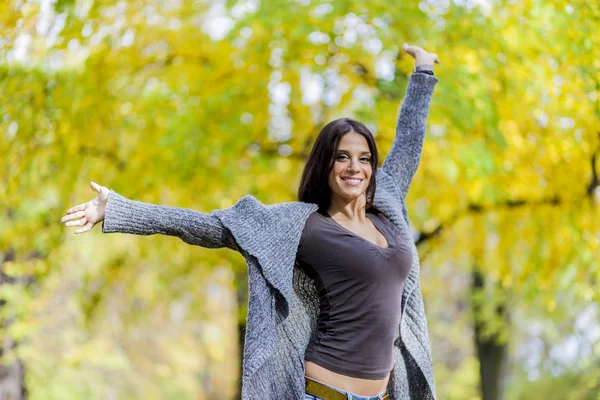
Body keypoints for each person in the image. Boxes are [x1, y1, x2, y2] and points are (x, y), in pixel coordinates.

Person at [61, 43, 440, 400]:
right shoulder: (303, 226)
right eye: (342, 157)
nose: (354, 167)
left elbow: (407, 145)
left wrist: (423, 70)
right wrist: (119, 209)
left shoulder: (387, 210)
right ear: (324, 163)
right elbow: (210, 227)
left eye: (364, 158)